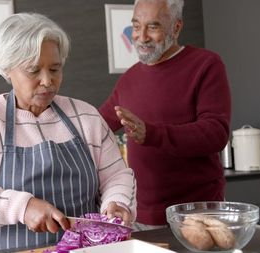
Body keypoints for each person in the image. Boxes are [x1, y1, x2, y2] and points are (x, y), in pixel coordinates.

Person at [0, 13, 136, 251]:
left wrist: (117, 203)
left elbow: (116, 176)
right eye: (33, 70)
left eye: (55, 69)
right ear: (8, 69)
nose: (47, 81)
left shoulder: (86, 116)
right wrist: (22, 207)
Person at [99, 0, 231, 231]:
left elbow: (216, 133)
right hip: (140, 215)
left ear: (176, 28)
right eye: (136, 26)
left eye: (153, 27)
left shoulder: (206, 64)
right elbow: (96, 125)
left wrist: (152, 133)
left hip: (196, 214)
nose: (141, 37)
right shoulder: (129, 79)